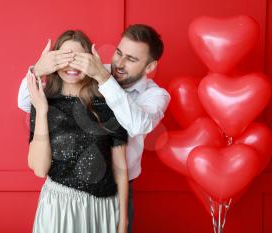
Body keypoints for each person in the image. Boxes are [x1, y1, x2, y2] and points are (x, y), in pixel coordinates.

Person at [19, 24, 170, 233]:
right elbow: (25, 101)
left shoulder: (152, 95)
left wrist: (102, 76)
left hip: (113, 193)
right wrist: (38, 69)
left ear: (150, 66)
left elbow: (136, 125)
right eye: (118, 53)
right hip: (60, 203)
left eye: (132, 59)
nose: (119, 63)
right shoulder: (94, 71)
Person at [26, 30, 129, 233]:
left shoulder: (109, 102)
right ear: (53, 63)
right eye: (64, 58)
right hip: (60, 209)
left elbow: (120, 167)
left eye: (78, 58)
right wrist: (42, 109)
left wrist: (123, 221)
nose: (71, 65)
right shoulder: (42, 101)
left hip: (102, 208)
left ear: (90, 60)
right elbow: (39, 169)